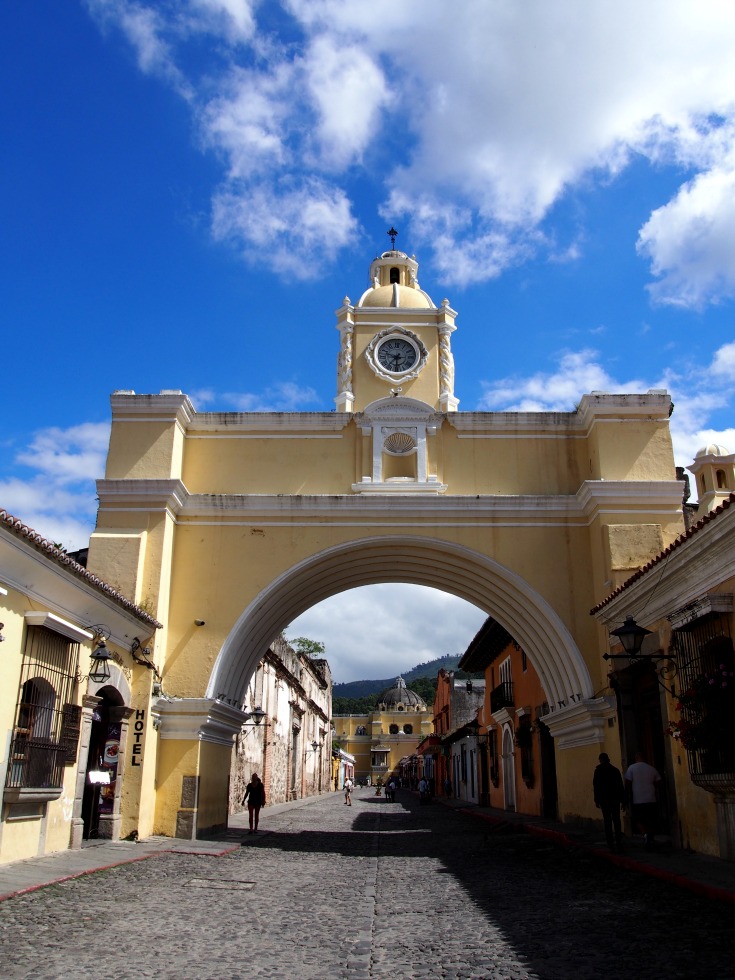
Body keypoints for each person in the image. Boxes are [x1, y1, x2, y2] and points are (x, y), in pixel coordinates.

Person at [625, 752, 662, 850]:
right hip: (651, 798)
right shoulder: (651, 768)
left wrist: (628, 794)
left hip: (638, 799)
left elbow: (628, 782)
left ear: (636, 758)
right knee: (650, 819)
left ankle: (645, 835)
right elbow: (659, 781)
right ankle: (649, 835)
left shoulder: (631, 768)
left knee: (638, 819)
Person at [593, 753, 625, 851]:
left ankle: (610, 843)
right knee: (616, 820)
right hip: (615, 799)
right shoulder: (615, 771)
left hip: (604, 799)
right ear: (609, 759)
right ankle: (619, 841)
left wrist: (597, 800)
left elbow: (596, 786)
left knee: (607, 821)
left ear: (600, 760)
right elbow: (620, 786)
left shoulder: (598, 771)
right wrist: (623, 800)